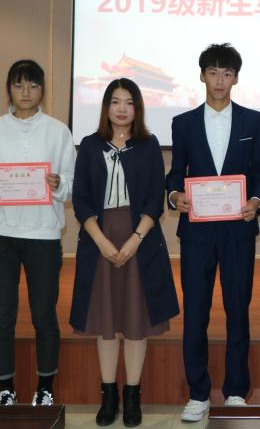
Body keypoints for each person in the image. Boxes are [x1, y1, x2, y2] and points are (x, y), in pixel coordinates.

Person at [165, 43, 260, 422]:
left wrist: (256, 200)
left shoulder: (253, 121)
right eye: (213, 72)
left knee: (237, 309)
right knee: (196, 310)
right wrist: (174, 195)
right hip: (197, 233)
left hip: (238, 230)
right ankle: (198, 393)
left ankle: (236, 391)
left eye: (227, 73)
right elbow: (175, 173)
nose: (220, 80)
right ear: (202, 76)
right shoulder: (183, 123)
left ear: (236, 78)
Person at [69, 78, 180, 427]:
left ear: (137, 108)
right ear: (106, 107)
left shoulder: (149, 145)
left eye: (128, 102)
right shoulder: (90, 145)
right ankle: (108, 395)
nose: (121, 108)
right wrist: (101, 242)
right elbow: (81, 199)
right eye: (115, 101)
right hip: (98, 240)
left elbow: (154, 199)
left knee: (135, 322)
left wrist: (134, 240)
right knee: (105, 324)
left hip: (139, 241)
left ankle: (132, 395)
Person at [0, 59, 76, 406]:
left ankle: (45, 388)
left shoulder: (58, 131)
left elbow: (72, 186)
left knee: (44, 315)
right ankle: (6, 388)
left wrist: (59, 185)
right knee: (2, 315)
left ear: (43, 90)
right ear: (9, 90)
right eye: (18, 85)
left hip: (43, 235)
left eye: (33, 85)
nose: (26, 92)